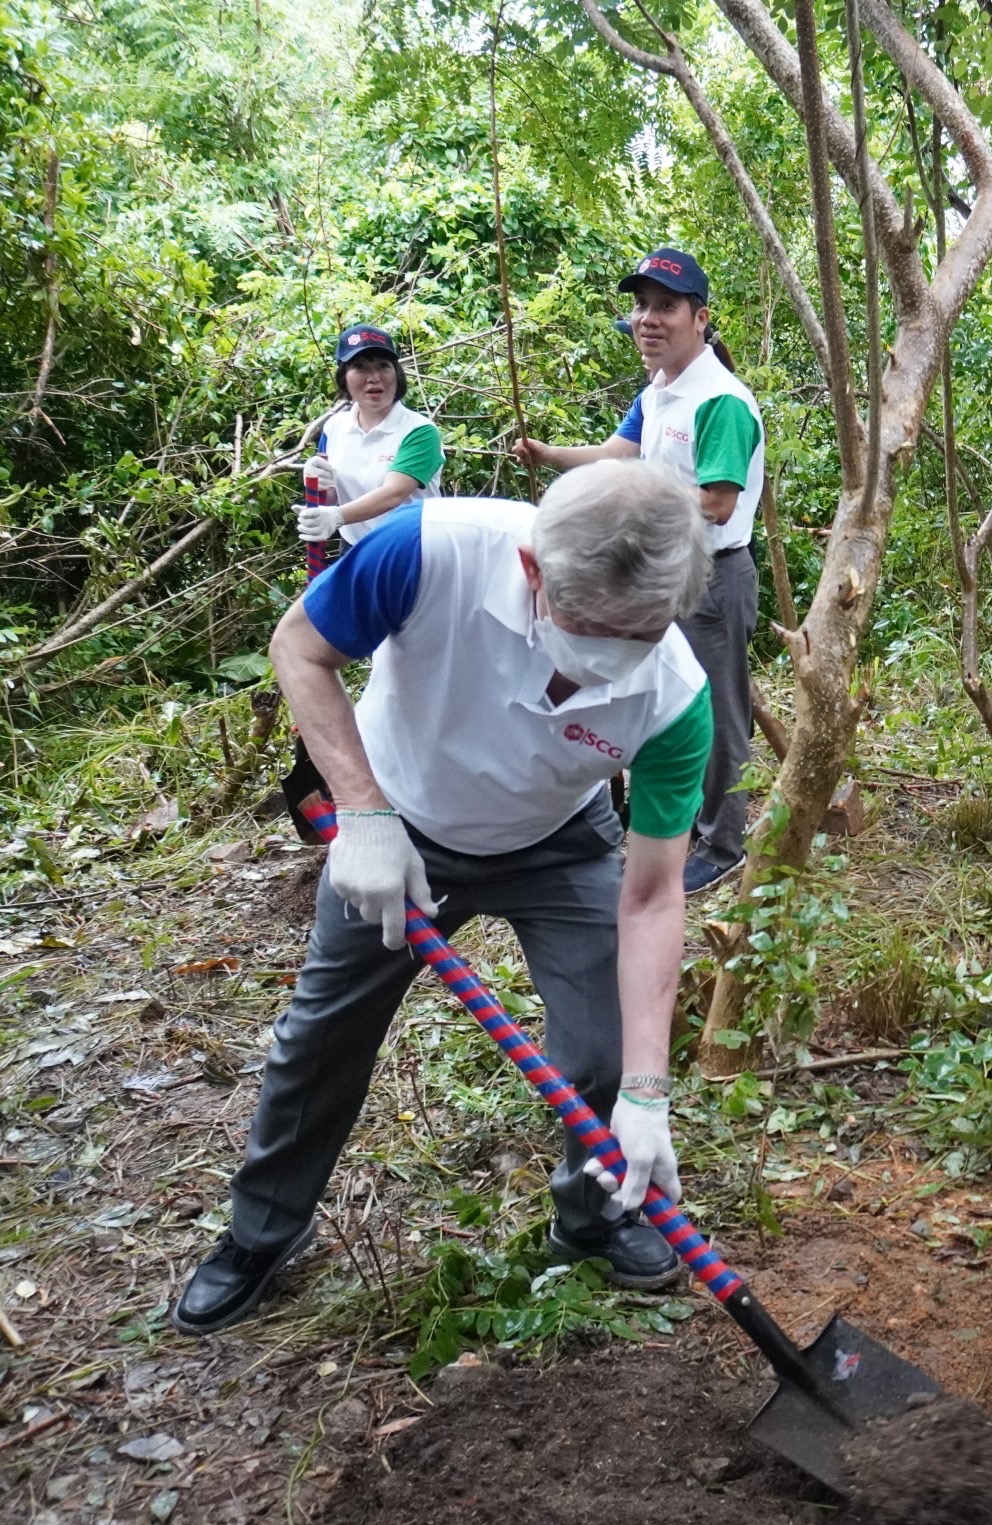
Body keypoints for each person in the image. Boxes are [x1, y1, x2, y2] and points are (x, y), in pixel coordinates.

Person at [175, 461, 717, 1335]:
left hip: (560, 843)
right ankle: (260, 1232)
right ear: (534, 568)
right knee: (321, 1039)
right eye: (591, 632)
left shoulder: (675, 698)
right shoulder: (427, 552)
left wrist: (649, 1094)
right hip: (398, 825)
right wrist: (363, 811)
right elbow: (299, 649)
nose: (611, 661)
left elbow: (653, 896)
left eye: (639, 635)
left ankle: (595, 1218)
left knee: (605, 1048)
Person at [518, 248, 763, 896]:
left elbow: (717, 501)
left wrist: (635, 502)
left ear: (700, 318)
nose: (647, 320)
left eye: (665, 307)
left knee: (715, 711)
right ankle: (642, 819)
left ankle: (723, 841)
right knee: (633, 692)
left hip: (712, 578)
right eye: (640, 307)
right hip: (654, 576)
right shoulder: (657, 393)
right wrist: (549, 456)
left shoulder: (720, 402)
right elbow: (614, 457)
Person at [299, 324, 444, 550]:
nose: (374, 378)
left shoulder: (419, 431)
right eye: (360, 367)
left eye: (383, 366)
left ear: (397, 374)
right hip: (354, 547)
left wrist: (335, 517)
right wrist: (317, 487)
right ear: (344, 377)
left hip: (410, 550)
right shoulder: (334, 427)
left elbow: (393, 494)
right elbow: (333, 497)